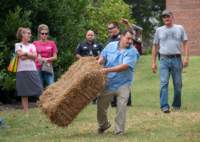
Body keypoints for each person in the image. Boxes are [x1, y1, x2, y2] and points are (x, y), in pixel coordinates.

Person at [97, 30, 139, 135]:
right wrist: (99, 62)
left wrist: (107, 70)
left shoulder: (132, 51)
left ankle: (119, 130)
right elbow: (103, 56)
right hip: (109, 82)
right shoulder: (111, 45)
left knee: (121, 107)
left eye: (131, 39)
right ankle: (104, 125)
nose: (130, 41)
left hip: (123, 83)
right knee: (101, 105)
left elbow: (124, 66)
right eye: (128, 38)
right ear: (121, 37)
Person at [151, 9, 189, 113]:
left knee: (178, 84)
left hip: (177, 59)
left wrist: (186, 57)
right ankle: (164, 106)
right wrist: (153, 62)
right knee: (164, 83)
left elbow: (185, 43)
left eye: (168, 16)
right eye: (164, 16)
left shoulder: (179, 28)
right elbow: (155, 46)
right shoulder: (159, 30)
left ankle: (176, 105)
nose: (166, 18)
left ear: (172, 17)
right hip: (163, 59)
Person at [15, 27, 42, 112]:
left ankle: (44, 109)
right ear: (23, 35)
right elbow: (21, 57)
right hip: (21, 71)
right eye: (28, 33)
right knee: (24, 92)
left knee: (39, 89)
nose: (30, 35)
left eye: (30, 33)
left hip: (32, 70)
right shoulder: (17, 45)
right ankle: (26, 112)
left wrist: (25, 53)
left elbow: (35, 56)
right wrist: (29, 55)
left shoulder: (32, 45)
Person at [107, 21, 132, 107]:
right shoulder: (110, 40)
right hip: (112, 65)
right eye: (108, 29)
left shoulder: (122, 36)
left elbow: (131, 33)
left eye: (111, 28)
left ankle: (127, 101)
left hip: (122, 63)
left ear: (116, 28)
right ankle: (114, 102)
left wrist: (128, 24)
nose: (109, 30)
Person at [75, 30, 103, 104]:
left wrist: (97, 59)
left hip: (96, 65)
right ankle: (85, 98)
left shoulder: (98, 44)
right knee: (85, 81)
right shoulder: (81, 44)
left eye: (91, 35)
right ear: (86, 36)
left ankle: (95, 98)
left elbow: (103, 54)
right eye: (88, 35)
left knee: (95, 81)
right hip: (84, 66)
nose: (90, 36)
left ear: (94, 36)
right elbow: (77, 54)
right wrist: (84, 59)